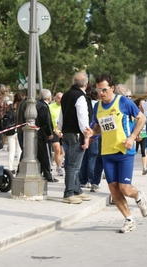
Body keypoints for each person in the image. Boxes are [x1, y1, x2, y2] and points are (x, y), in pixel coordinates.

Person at [92, 73, 147, 233]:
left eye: (104, 89)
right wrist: (90, 133)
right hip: (107, 152)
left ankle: (138, 196)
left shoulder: (123, 102)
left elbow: (142, 118)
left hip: (124, 150)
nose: (101, 93)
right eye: (98, 90)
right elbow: (97, 127)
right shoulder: (97, 107)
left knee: (124, 188)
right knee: (113, 189)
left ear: (111, 88)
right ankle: (129, 219)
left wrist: (132, 137)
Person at [61, 72, 93, 204]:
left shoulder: (66, 95)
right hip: (76, 133)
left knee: (72, 163)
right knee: (74, 165)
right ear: (86, 84)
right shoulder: (80, 96)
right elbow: (82, 117)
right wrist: (86, 136)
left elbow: (61, 115)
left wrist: (60, 128)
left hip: (67, 132)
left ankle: (77, 190)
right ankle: (69, 193)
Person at [79, 84, 104, 192]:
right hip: (95, 133)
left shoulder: (85, 103)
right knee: (93, 157)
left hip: (85, 132)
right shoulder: (99, 105)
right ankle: (91, 179)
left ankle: (83, 179)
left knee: (85, 157)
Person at [36, 89, 58, 183]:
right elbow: (45, 121)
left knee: (41, 155)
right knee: (46, 155)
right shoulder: (43, 106)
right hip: (43, 134)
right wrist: (49, 133)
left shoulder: (39, 104)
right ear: (49, 97)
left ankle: (42, 172)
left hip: (39, 133)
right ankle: (48, 174)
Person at [49, 92, 65, 177]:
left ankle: (57, 159)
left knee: (63, 152)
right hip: (54, 131)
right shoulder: (50, 107)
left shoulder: (66, 106)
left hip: (64, 131)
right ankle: (59, 167)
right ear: (55, 98)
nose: (60, 100)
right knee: (57, 149)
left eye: (62, 98)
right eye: (58, 98)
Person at [7, 92, 23, 174]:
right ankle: (19, 167)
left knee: (11, 150)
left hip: (11, 131)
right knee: (19, 150)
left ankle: (10, 167)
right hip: (19, 130)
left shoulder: (10, 107)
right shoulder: (22, 106)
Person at [134, 97, 147, 175]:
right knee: (133, 152)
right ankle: (129, 166)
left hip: (144, 134)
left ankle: (144, 168)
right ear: (138, 105)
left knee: (143, 151)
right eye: (142, 104)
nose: (143, 105)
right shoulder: (135, 112)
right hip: (134, 135)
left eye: (144, 104)